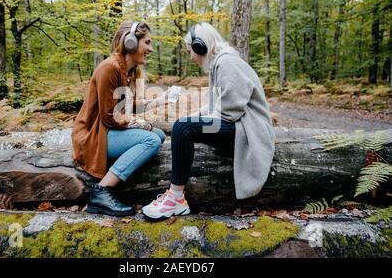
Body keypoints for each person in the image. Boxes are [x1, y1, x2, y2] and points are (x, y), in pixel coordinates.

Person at [142, 22, 275, 221]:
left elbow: (229, 112)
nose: (191, 56)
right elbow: (215, 107)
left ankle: (175, 199)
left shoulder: (227, 63)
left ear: (200, 47)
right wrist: (189, 119)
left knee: (184, 128)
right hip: (240, 125)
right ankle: (175, 197)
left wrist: (187, 126)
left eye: (191, 51)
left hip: (249, 130)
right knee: (184, 125)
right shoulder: (219, 64)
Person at [71, 20, 168, 217]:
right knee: (151, 139)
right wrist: (138, 123)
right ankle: (102, 191)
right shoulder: (110, 68)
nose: (150, 49)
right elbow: (109, 117)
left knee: (158, 135)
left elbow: (127, 107)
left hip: (107, 131)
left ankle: (119, 173)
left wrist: (159, 101)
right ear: (131, 42)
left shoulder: (127, 70)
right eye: (147, 43)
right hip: (94, 136)